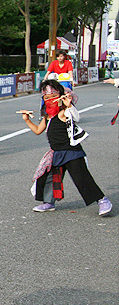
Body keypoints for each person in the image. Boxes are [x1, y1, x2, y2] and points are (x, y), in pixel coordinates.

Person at [20, 79, 112, 216]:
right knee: (48, 177)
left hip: (71, 152)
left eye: (54, 96)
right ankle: (48, 202)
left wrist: (69, 106)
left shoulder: (64, 112)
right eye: (47, 98)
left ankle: (102, 200)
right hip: (55, 153)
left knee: (81, 177)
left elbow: (76, 117)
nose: (50, 100)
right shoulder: (47, 116)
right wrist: (27, 120)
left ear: (60, 97)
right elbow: (38, 130)